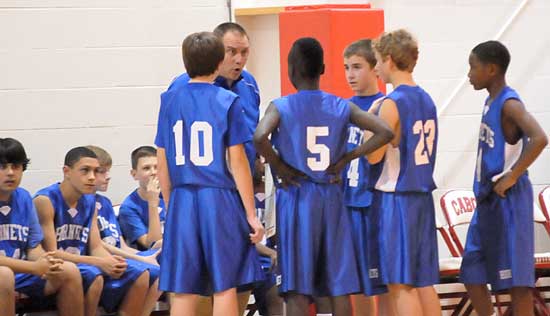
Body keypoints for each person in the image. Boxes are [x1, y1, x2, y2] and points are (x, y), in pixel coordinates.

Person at [253, 37, 393, 316]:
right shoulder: (342, 106)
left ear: (291, 69)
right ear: (323, 69)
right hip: (331, 198)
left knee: (297, 290)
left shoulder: (281, 106)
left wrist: (279, 166)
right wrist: (349, 157)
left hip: (297, 198)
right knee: (338, 288)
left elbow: (259, 136)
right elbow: (385, 132)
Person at [155, 31, 265, 316]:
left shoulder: (169, 101)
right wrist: (251, 214)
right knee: (225, 284)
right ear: (219, 62)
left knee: (182, 288)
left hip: (181, 199)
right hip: (218, 198)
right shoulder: (227, 100)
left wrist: (170, 205)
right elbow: (238, 162)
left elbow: (162, 161)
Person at [460, 40, 548, 316]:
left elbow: (540, 138)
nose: (469, 74)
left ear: (491, 69)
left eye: (473, 67)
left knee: (518, 284)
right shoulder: (490, 101)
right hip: (487, 199)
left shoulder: (509, 103)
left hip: (509, 199)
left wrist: (513, 175)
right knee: (472, 272)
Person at [366, 29, 441, 315]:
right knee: (423, 282)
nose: (376, 68)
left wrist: (369, 121)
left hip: (397, 200)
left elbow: (374, 157)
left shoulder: (392, 103)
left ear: (389, 60)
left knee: (400, 283)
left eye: (377, 62)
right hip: (422, 198)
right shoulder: (427, 99)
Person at [34, 146, 150, 316]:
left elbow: (96, 247)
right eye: (85, 171)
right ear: (67, 171)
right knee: (95, 276)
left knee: (140, 272)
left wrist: (112, 262)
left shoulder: (90, 200)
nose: (91, 177)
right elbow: (52, 253)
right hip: (61, 265)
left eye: (96, 171)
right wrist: (100, 262)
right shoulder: (45, 200)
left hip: (85, 262)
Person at [0, 138, 84, 316]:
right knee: (4, 275)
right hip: (6, 272)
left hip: (21, 271)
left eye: (16, 166)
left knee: (68, 270)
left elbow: (33, 247)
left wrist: (46, 261)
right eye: (2, 167)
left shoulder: (24, 198)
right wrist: (33, 268)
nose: (10, 173)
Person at [342, 39, 391, 315]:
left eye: (357, 67)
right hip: (349, 201)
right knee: (356, 282)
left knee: (382, 282)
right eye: (347, 67)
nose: (350, 74)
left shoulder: (386, 105)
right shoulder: (343, 108)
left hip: (376, 200)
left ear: (376, 68)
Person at [86, 145, 163, 316]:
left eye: (107, 171)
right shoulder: (128, 206)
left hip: (124, 254)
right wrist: (143, 257)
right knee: (148, 269)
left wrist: (149, 255)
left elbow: (121, 244)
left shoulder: (104, 202)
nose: (108, 177)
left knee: (165, 265)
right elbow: (98, 245)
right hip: (104, 259)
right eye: (102, 172)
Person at [119, 146, 165, 250]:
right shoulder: (128, 208)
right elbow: (153, 245)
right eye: (146, 168)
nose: (153, 172)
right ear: (134, 174)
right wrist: (152, 203)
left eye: (156, 167)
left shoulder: (170, 195)